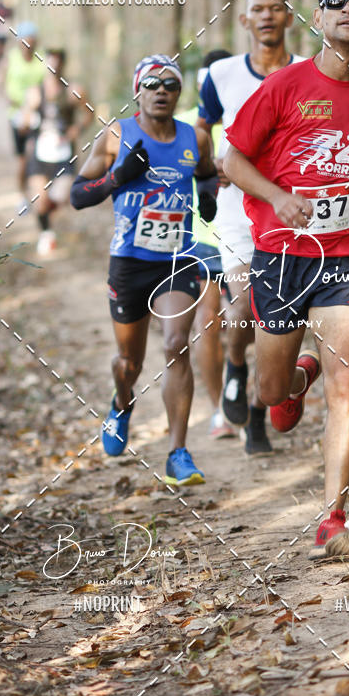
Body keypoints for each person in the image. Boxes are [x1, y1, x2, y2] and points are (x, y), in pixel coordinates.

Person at [223, 0, 349, 556]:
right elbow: (233, 161)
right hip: (281, 255)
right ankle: (294, 379)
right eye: (334, 2)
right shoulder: (284, 86)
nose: (346, 11)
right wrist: (279, 196)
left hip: (348, 253)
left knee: (347, 385)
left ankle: (332, 514)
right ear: (319, 15)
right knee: (273, 394)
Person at [70, 54, 217, 486]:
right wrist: (118, 178)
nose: (161, 91)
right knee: (127, 363)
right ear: (138, 91)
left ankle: (178, 453)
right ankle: (121, 402)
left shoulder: (196, 138)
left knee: (176, 344)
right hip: (130, 263)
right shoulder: (117, 135)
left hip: (178, 258)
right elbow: (78, 195)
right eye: (151, 84)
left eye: (170, 84)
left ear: (178, 94)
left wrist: (206, 197)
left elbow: (207, 175)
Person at [197, 0, 304, 455]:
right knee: (243, 308)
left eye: (275, 9)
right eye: (257, 10)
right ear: (244, 21)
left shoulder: (309, 71)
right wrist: (206, 171)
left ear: (289, 17)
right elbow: (201, 131)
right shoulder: (220, 74)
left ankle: (258, 417)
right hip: (239, 210)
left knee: (275, 319)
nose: (266, 16)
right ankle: (236, 367)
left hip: (294, 212)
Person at [179, 50, 234, 438]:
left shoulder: (250, 118)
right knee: (209, 324)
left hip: (253, 237)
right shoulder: (181, 125)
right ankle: (221, 410)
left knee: (252, 324)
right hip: (201, 240)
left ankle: (245, 393)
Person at [22, 49, 92, 256]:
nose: (53, 68)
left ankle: (48, 214)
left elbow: (89, 113)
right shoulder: (35, 92)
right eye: (50, 63)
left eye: (57, 64)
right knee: (39, 197)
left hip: (63, 153)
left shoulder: (73, 91)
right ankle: (46, 233)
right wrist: (28, 118)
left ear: (63, 66)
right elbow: (24, 122)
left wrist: (76, 130)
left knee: (61, 196)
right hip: (39, 151)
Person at [2, 22, 46, 202]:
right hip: (16, 115)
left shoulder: (42, 59)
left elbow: (48, 85)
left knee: (34, 155)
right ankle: (22, 195)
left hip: (38, 114)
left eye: (31, 41)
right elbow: (2, 82)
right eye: (24, 41)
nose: (28, 45)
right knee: (22, 160)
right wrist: (13, 100)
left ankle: (41, 195)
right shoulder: (11, 58)